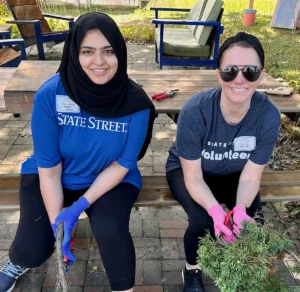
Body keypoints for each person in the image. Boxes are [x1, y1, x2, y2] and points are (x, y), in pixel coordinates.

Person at [0, 12, 155, 292]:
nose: (99, 61)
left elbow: (123, 163)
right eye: (87, 51)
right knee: (32, 247)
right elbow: (49, 167)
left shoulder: (137, 103)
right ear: (74, 52)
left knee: (111, 231)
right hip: (53, 175)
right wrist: (59, 227)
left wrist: (80, 206)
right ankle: (16, 261)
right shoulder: (51, 95)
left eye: (108, 51)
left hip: (111, 177)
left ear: (119, 53)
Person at [165, 32, 281, 292]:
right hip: (189, 172)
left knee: (253, 219)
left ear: (261, 75)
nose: (239, 79)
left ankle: (241, 266)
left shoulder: (269, 116)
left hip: (235, 173)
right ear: (218, 74)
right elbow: (192, 177)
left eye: (250, 71)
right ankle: (192, 269)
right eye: (230, 70)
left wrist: (239, 208)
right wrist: (216, 210)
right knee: (203, 221)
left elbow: (251, 177)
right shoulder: (195, 111)